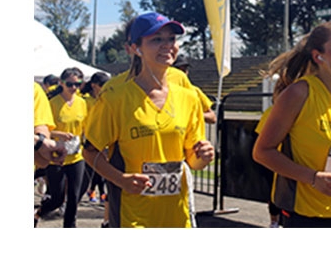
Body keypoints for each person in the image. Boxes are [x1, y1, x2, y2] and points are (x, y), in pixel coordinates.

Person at [82, 12, 214, 228]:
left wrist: (204, 156)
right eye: (156, 39)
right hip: (134, 215)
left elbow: (193, 160)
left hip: (177, 216)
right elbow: (90, 151)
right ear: (136, 48)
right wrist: (120, 179)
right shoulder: (115, 97)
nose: (167, 45)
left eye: (171, 39)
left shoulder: (188, 98)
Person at [252, 20, 331, 228]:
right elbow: (262, 152)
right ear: (319, 56)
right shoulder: (300, 93)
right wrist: (313, 177)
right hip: (310, 218)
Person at [34, 67, 88, 228]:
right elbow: (43, 130)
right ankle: (37, 213)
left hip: (76, 156)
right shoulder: (53, 103)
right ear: (61, 83)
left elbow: (85, 127)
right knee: (56, 198)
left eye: (77, 84)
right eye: (70, 84)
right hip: (55, 156)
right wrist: (60, 134)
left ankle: (70, 226)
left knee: (74, 196)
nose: (73, 88)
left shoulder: (82, 103)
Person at [80, 72, 110, 203]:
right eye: (102, 85)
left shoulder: (106, 99)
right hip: (88, 141)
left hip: (104, 139)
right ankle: (91, 192)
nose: (105, 87)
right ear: (93, 85)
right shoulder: (85, 101)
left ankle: (98, 192)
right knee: (91, 171)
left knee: (101, 170)